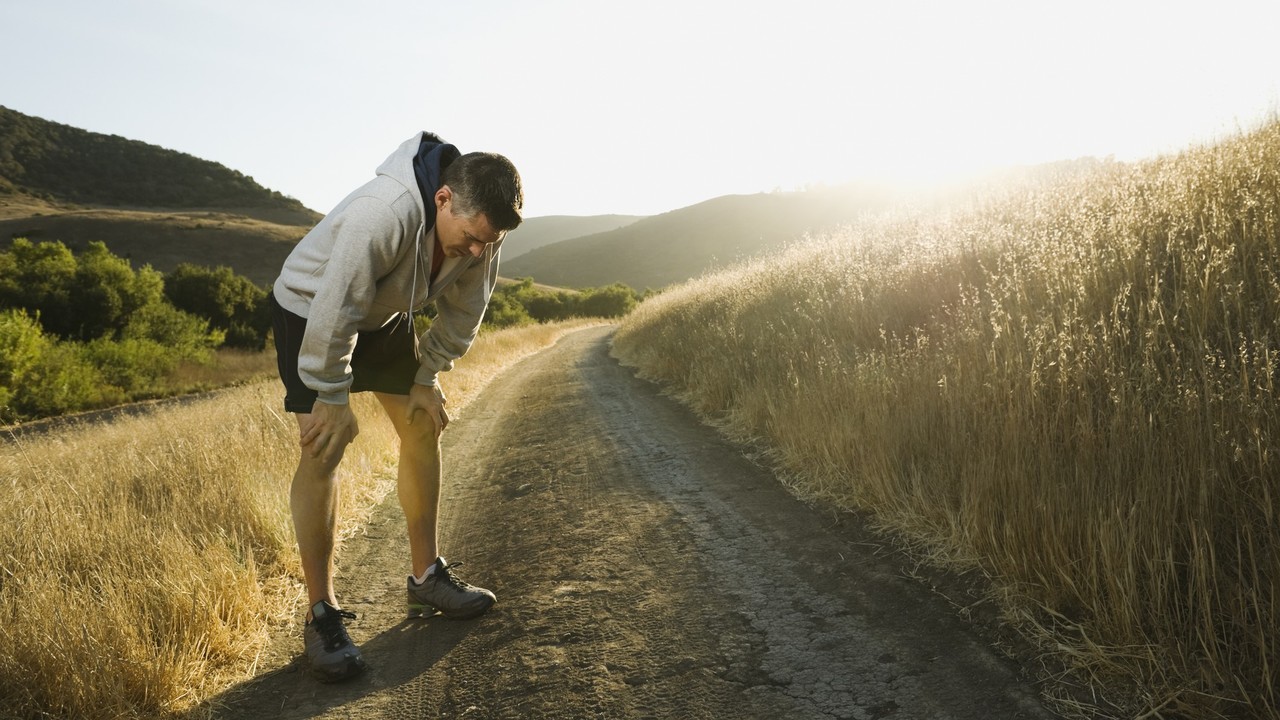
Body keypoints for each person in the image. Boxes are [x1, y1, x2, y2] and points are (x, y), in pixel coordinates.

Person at [268, 131, 523, 682]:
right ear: (443, 200)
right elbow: (337, 305)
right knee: (324, 447)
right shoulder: (380, 215)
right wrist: (332, 396)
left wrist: (427, 376)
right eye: (473, 238)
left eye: (490, 242)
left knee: (422, 423)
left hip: (384, 312)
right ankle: (322, 614)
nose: (479, 252)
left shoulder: (482, 233)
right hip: (312, 308)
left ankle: (426, 577)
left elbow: (464, 312)